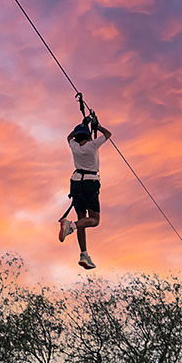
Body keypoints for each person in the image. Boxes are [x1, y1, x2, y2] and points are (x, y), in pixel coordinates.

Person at [59, 109, 111, 269]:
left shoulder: (73, 145)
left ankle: (84, 254)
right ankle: (70, 226)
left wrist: (83, 124)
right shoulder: (92, 145)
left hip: (76, 182)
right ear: (88, 136)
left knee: (82, 219)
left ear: (76, 137)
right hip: (90, 182)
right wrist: (98, 125)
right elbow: (108, 134)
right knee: (94, 221)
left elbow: (69, 137)